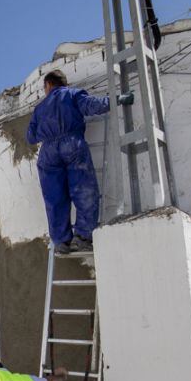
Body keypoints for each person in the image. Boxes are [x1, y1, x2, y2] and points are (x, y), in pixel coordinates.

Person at [26, 69, 125, 254]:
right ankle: (83, 236)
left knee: (54, 197)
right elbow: (92, 105)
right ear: (64, 84)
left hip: (48, 152)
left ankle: (61, 242)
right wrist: (117, 99)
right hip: (72, 144)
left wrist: (46, 132)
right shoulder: (73, 94)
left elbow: (30, 137)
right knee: (84, 189)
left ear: (48, 85)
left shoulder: (39, 108)